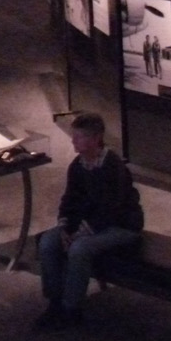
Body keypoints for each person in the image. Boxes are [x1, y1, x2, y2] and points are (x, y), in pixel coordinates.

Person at [35, 112, 143, 329]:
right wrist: (65, 226)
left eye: (80, 137)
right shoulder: (77, 166)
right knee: (47, 242)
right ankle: (54, 302)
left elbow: (113, 209)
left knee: (79, 249)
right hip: (89, 223)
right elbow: (70, 200)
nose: (73, 141)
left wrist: (80, 233)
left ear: (96, 139)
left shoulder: (113, 167)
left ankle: (71, 308)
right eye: (74, 136)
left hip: (122, 225)